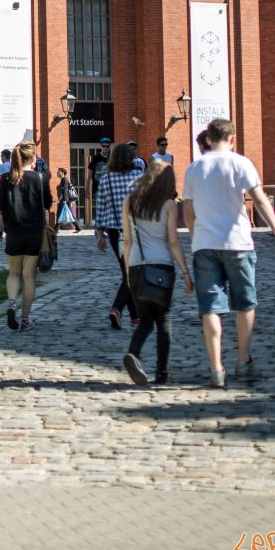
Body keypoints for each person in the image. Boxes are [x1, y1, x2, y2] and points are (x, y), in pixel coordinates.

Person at [182, 118, 275, 389]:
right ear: (232, 139)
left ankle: (215, 367)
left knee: (210, 308)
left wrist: (196, 237)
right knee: (244, 303)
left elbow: (188, 211)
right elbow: (260, 200)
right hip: (238, 244)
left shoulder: (194, 168)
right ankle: (243, 359)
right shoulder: (241, 163)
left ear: (208, 139)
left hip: (206, 245)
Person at [121, 160, 193, 385]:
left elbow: (128, 241)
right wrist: (185, 272)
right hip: (161, 266)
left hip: (136, 266)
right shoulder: (169, 205)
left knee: (144, 320)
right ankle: (161, 372)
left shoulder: (130, 201)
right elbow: (173, 241)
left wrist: (127, 273)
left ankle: (133, 352)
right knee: (164, 321)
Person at [0, 141, 51, 331]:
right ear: (34, 158)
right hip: (35, 233)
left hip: (13, 233)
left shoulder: (6, 178)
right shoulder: (40, 178)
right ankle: (25, 319)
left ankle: (12, 303)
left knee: (14, 273)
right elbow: (48, 203)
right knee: (29, 277)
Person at [94, 142, 144, 329]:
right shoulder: (138, 176)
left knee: (127, 271)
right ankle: (117, 308)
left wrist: (99, 234)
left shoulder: (107, 179)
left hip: (115, 232)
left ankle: (134, 315)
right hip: (135, 230)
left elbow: (100, 207)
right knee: (131, 274)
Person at [87, 139, 113, 226]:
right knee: (99, 209)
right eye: (104, 146)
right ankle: (98, 228)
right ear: (101, 147)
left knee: (109, 209)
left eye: (107, 146)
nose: (105, 148)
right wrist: (87, 188)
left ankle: (106, 227)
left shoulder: (112, 158)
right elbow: (89, 175)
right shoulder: (96, 158)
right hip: (97, 188)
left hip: (110, 188)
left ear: (109, 147)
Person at [0, 148, 12, 239]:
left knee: (2, 213)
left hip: (4, 191)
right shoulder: (14, 165)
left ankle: (1, 232)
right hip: (13, 191)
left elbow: (0, 179)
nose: (0, 158)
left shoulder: (1, 167)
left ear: (4, 156)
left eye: (1, 156)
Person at [55, 168, 81, 232]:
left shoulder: (64, 179)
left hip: (64, 200)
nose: (57, 173)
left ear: (63, 173)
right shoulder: (63, 179)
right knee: (61, 214)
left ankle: (56, 229)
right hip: (64, 200)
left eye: (59, 172)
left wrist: (64, 200)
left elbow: (65, 190)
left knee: (61, 214)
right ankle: (78, 227)